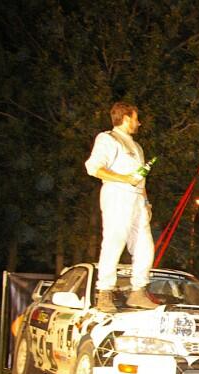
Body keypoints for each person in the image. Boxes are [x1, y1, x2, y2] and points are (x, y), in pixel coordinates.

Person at [85, 102, 157, 313]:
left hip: (137, 199)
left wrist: (146, 202)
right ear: (126, 118)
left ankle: (138, 292)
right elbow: (93, 168)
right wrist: (124, 179)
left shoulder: (137, 147)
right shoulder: (108, 138)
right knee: (114, 241)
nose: (139, 122)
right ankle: (105, 292)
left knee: (145, 246)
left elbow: (140, 179)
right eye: (136, 118)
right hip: (117, 194)